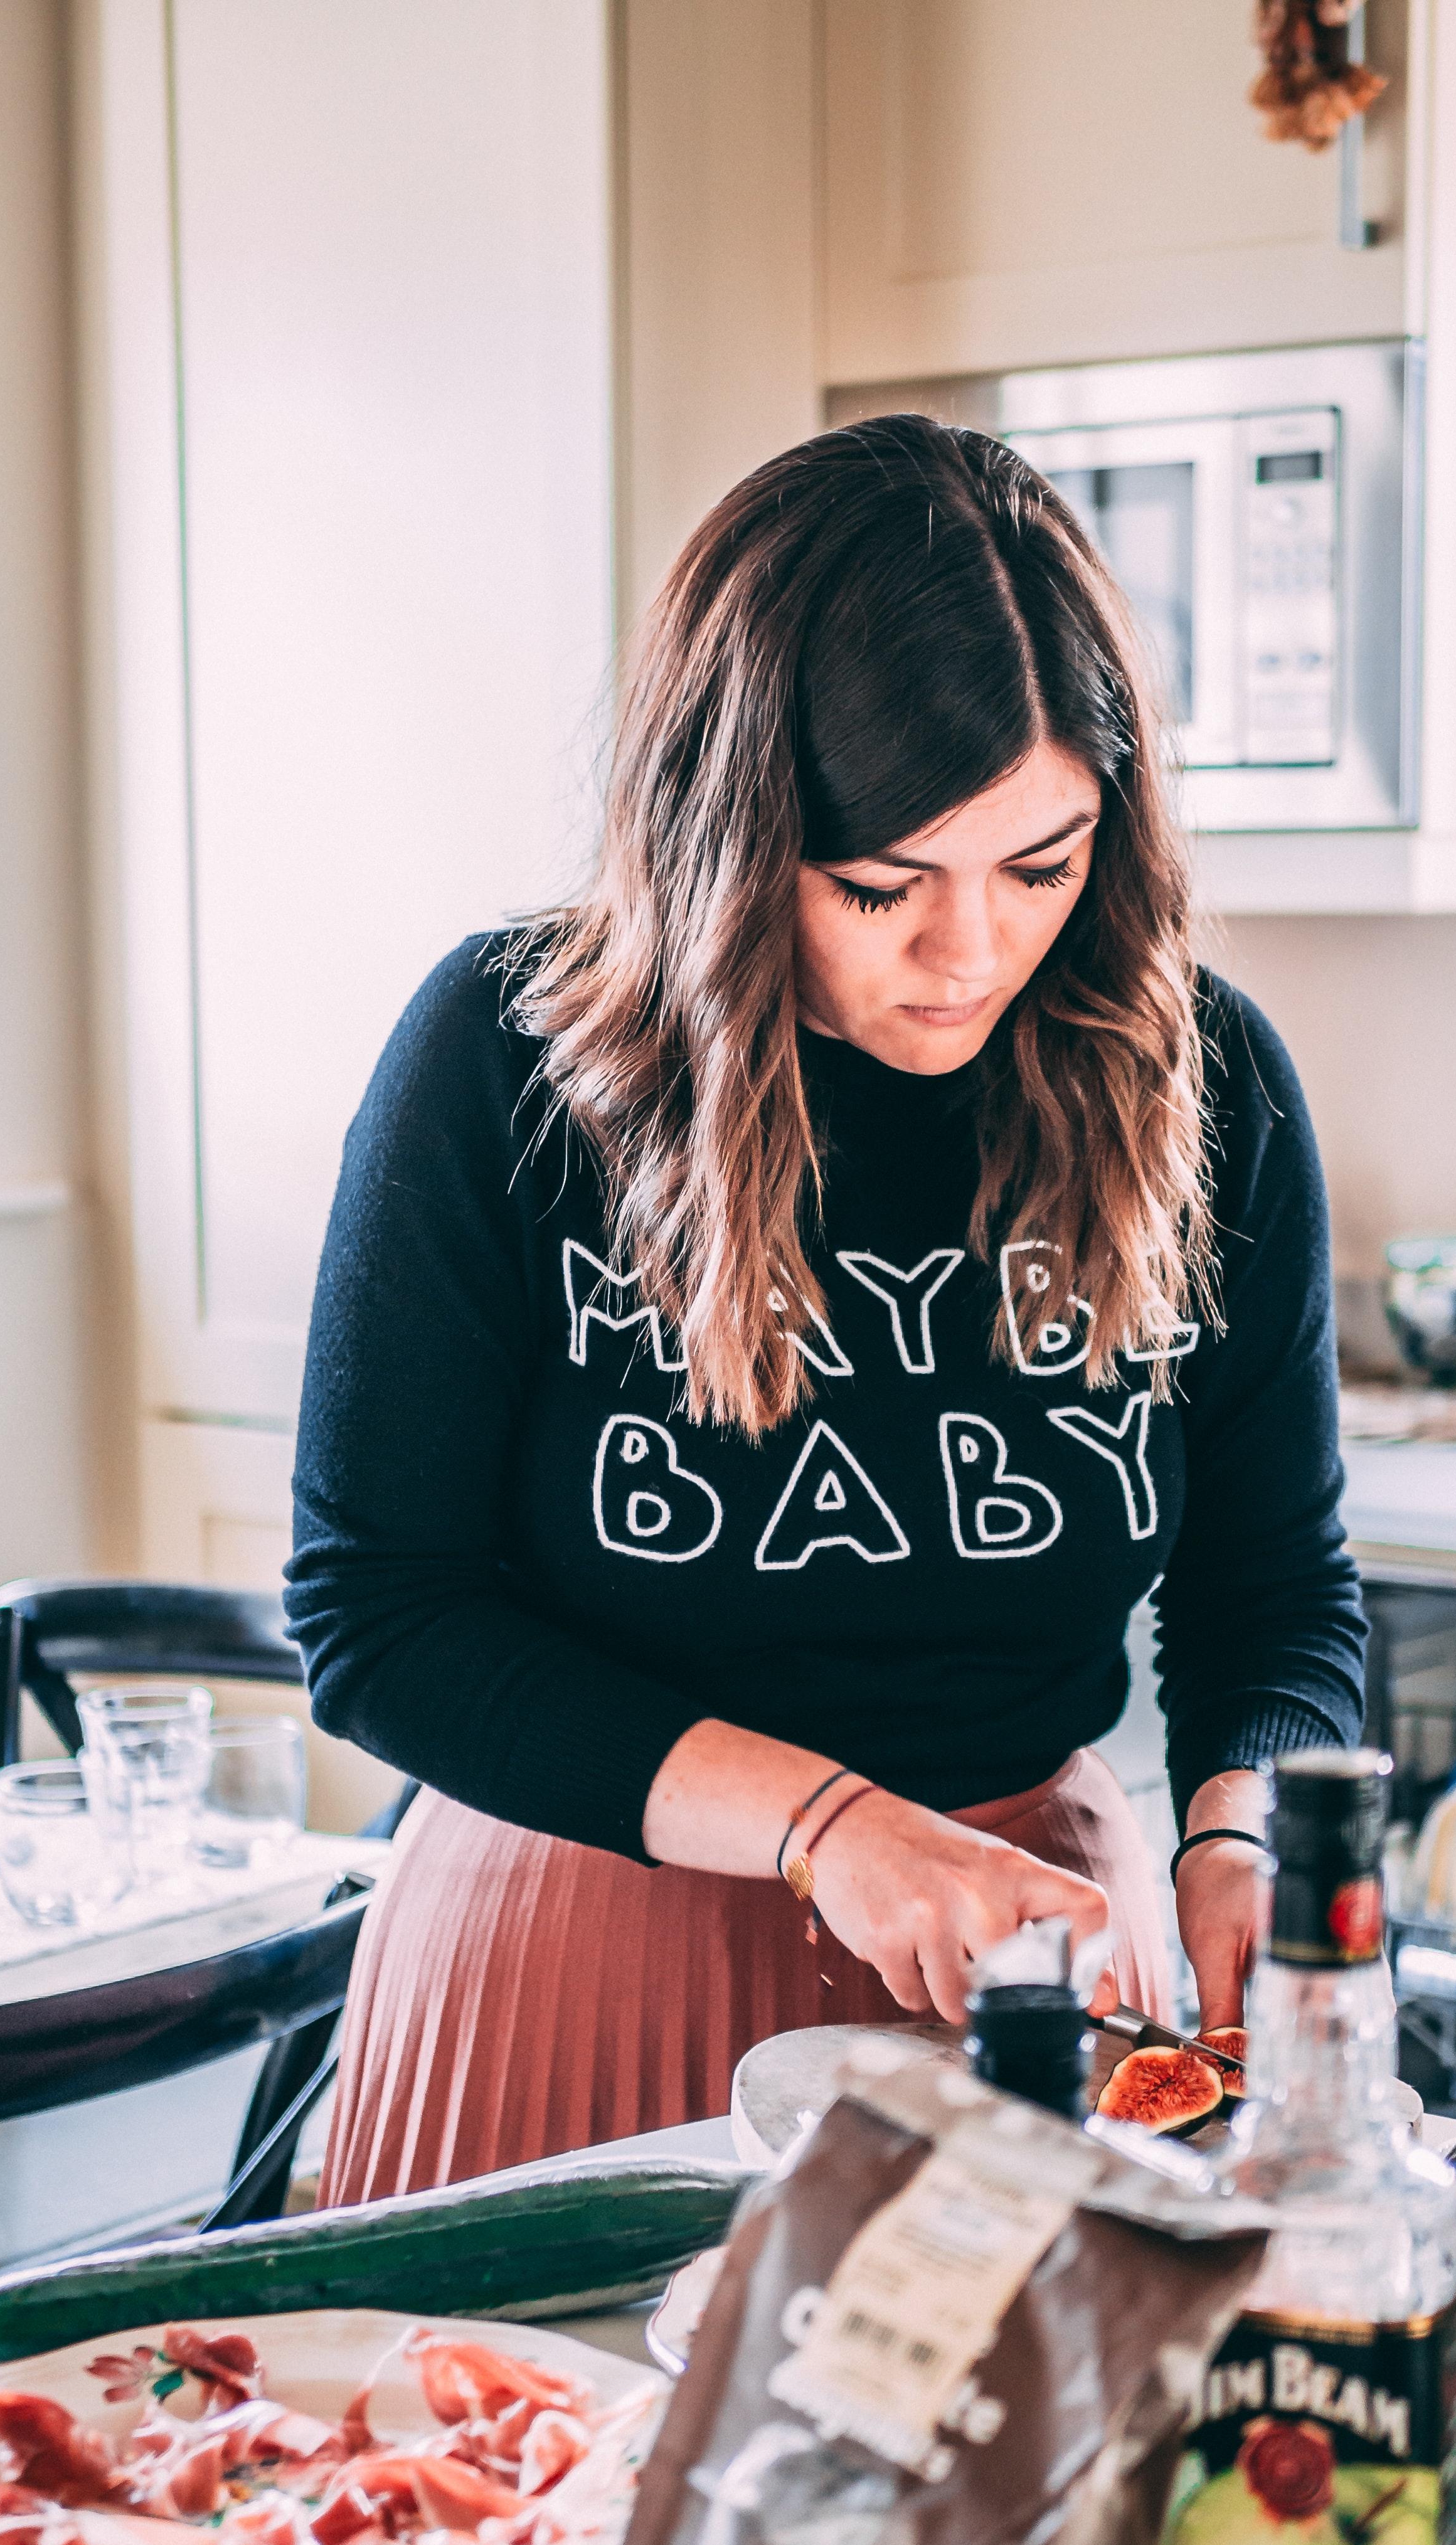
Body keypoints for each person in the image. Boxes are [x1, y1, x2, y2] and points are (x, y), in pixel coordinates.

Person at [287, 416, 1366, 2200]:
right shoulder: (509, 1059)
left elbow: (1276, 1588)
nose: (972, 954)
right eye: (882, 885)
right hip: (582, 1944)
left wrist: (1242, 1828)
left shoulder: (1204, 1081)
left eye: (1042, 865)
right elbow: (379, 1618)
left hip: (1028, 1974)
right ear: (729, 836)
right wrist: (830, 1826)